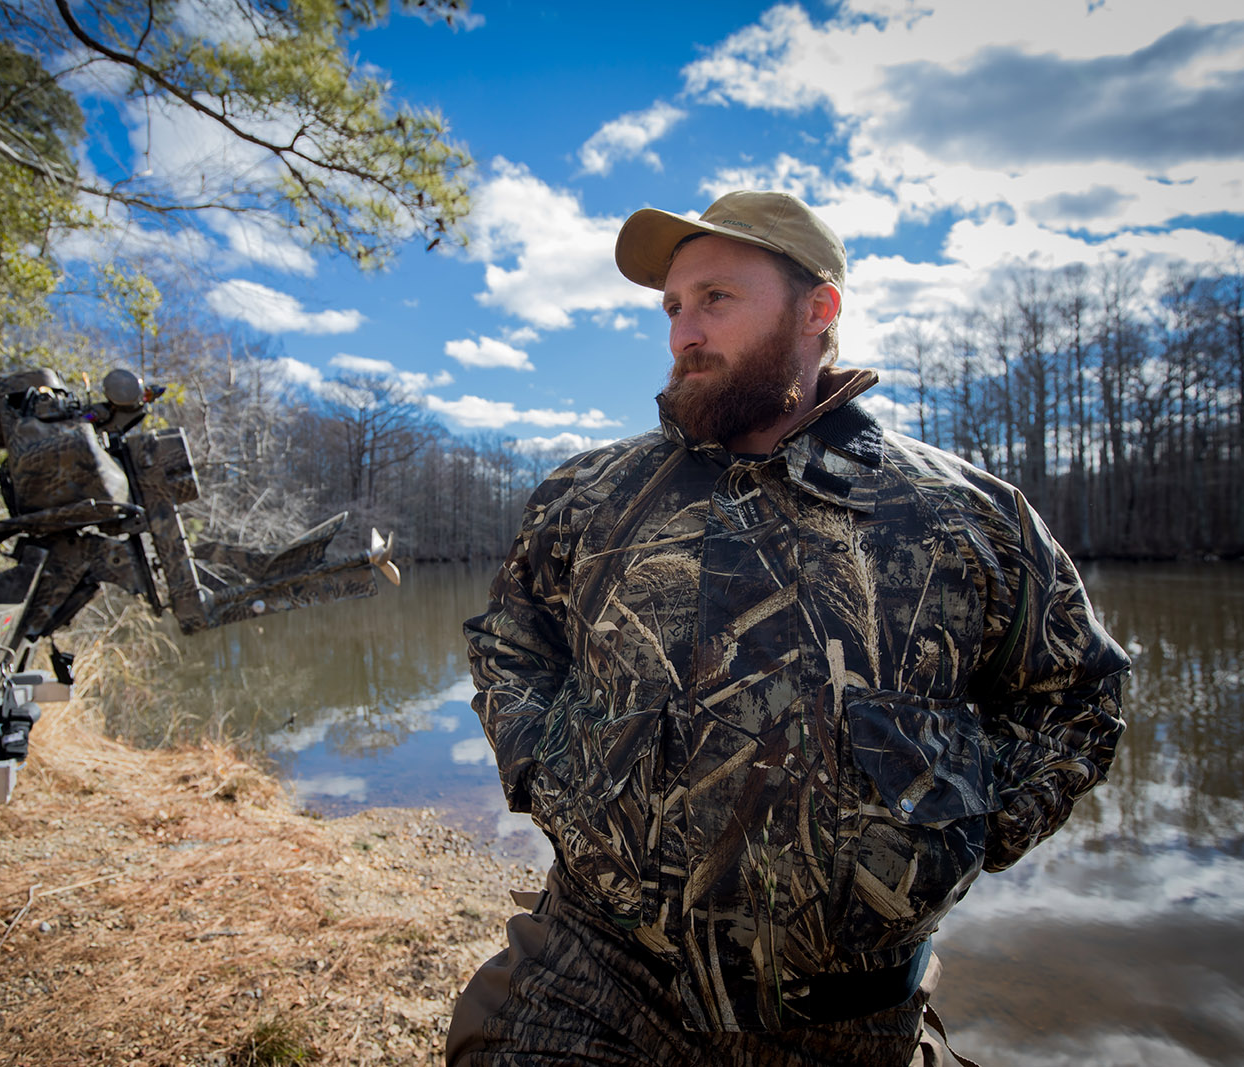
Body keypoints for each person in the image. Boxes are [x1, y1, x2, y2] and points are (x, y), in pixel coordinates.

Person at [447, 191, 1129, 1067]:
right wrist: (548, 768)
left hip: (851, 1013)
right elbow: (511, 640)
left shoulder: (964, 517)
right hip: (601, 970)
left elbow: (1077, 695)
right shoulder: (592, 497)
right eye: (672, 307)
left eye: (715, 299)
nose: (682, 332)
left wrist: (961, 829)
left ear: (819, 310)